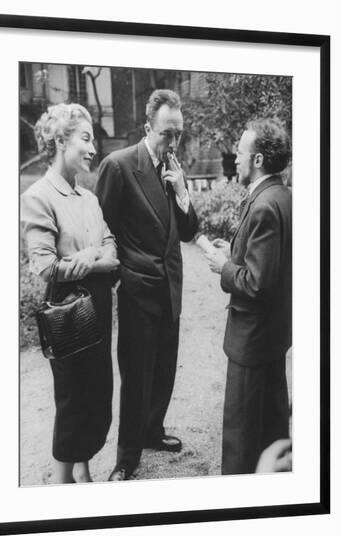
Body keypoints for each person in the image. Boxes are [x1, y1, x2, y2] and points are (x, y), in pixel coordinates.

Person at [96, 89, 199, 481]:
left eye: (178, 134)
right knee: (137, 376)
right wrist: (124, 273)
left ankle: (152, 431)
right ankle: (126, 457)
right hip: (139, 292)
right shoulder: (120, 165)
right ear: (146, 128)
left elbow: (187, 232)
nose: (173, 142)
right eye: (166, 134)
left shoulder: (174, 168)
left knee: (164, 371)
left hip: (170, 287)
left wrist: (182, 193)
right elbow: (102, 229)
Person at [21, 103, 119, 484]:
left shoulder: (90, 198)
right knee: (73, 403)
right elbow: (45, 266)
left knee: (98, 398)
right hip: (67, 311)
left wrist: (90, 255)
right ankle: (63, 491)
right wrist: (97, 261)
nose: (94, 147)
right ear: (61, 140)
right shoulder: (38, 196)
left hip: (97, 307)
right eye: (86, 137)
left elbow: (112, 251)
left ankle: (83, 468)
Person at [205, 118, 292, 475]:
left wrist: (225, 266)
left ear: (257, 159)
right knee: (271, 429)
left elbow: (257, 284)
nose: (234, 158)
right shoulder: (282, 196)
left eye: (240, 152)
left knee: (241, 441)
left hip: (251, 343)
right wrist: (235, 252)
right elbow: (271, 265)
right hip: (272, 339)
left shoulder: (263, 206)